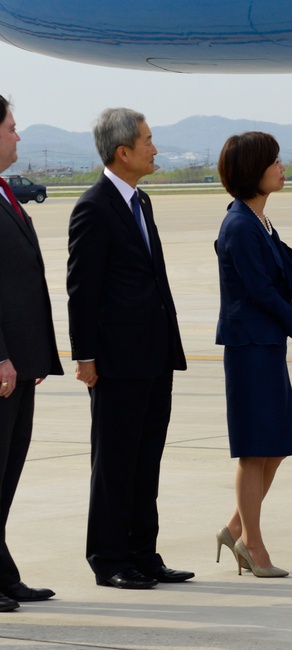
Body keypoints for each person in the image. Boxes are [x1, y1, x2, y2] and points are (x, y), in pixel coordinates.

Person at [67, 108, 193, 590]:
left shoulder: (141, 203)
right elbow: (82, 288)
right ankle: (109, 558)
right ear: (123, 152)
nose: (155, 148)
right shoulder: (94, 207)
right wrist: (86, 356)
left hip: (155, 354)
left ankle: (143, 553)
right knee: (115, 463)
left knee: (146, 460)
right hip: (117, 360)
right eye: (148, 141)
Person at [214, 132, 292, 578]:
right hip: (250, 346)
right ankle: (251, 545)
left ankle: (236, 527)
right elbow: (257, 289)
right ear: (252, 171)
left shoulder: (259, 220)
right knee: (256, 449)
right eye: (273, 161)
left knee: (275, 443)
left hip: (266, 344)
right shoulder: (239, 224)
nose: (281, 166)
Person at [0, 95, 63, 610]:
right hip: (2, 364)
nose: (18, 137)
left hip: (21, 362)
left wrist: (32, 353)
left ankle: (1, 571)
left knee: (8, 470)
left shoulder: (4, 192)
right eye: (12, 128)